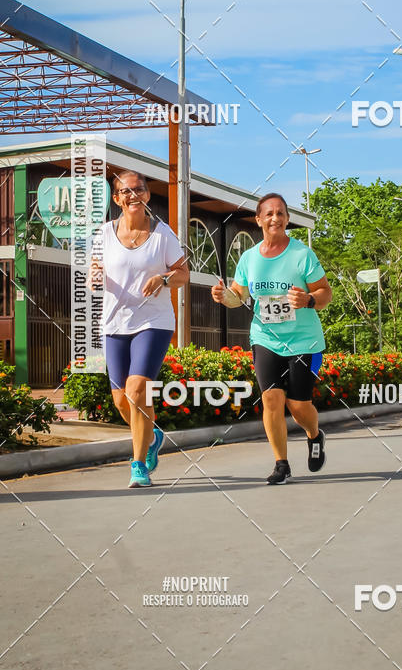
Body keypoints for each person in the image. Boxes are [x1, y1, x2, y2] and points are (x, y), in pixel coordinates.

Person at [211, 193, 332, 484]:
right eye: (269, 213)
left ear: (287, 219)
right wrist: (224, 296)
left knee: (298, 405)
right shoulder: (249, 258)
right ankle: (281, 464)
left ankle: (314, 435)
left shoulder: (302, 255)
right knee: (271, 398)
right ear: (258, 220)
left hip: (303, 340)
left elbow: (325, 293)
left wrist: (308, 300)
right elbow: (238, 296)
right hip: (265, 337)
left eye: (280, 213)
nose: (275, 218)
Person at [92, 170, 189, 488]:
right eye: (126, 191)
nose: (133, 195)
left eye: (139, 189)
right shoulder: (104, 234)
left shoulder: (163, 234)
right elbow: (95, 268)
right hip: (115, 324)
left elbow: (183, 274)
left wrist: (163, 278)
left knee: (137, 390)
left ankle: (138, 465)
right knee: (122, 401)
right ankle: (152, 435)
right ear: (116, 198)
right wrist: (94, 275)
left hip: (153, 323)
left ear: (147, 195)